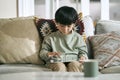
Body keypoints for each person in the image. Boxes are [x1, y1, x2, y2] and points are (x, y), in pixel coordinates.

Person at [40, 6, 88, 72]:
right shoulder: (50, 38)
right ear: (56, 23)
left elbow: (83, 51)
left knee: (75, 65)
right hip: (56, 61)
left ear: (74, 24)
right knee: (60, 67)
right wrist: (49, 54)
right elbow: (42, 52)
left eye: (69, 26)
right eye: (62, 26)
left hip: (74, 60)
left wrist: (83, 57)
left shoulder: (78, 37)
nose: (65, 29)